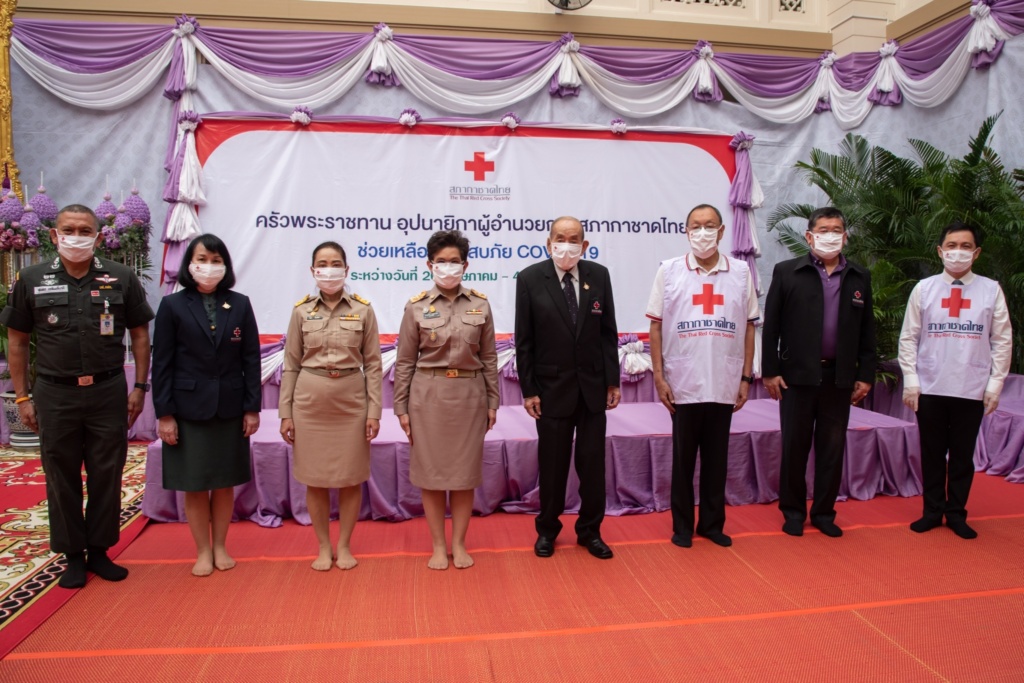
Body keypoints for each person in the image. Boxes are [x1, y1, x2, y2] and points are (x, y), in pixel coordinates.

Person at [0, 204, 154, 589]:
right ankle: (72, 555)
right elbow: (17, 342)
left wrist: (139, 388)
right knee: (60, 473)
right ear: (54, 235)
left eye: (85, 231)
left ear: (98, 238)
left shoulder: (121, 277)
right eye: (69, 229)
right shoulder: (31, 279)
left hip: (107, 391)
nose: (76, 237)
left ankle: (99, 550)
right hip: (55, 393)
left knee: (107, 472)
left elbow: (139, 335)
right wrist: (22, 397)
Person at [648, 204, 759, 549]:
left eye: (709, 225)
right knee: (683, 461)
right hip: (682, 383)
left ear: (722, 231)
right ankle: (682, 526)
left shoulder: (740, 272)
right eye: (695, 226)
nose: (702, 232)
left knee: (716, 460)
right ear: (686, 231)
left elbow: (749, 327)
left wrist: (745, 378)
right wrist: (659, 377)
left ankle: (712, 524)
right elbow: (656, 326)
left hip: (724, 382)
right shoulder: (669, 271)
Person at [152, 234, 261, 577]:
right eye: (202, 259)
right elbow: (162, 364)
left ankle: (220, 546)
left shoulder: (239, 304)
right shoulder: (172, 305)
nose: (209, 266)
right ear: (189, 264)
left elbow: (251, 359)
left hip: (230, 408)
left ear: (225, 265)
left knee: (225, 482)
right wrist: (165, 414)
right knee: (196, 483)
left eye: (216, 260)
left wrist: (252, 407)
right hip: (188, 410)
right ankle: (202, 550)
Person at [762, 207, 875, 538]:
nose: (830, 235)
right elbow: (771, 326)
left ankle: (824, 513)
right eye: (823, 230)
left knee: (831, 449)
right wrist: (770, 371)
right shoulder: (787, 272)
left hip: (838, 379)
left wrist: (865, 374)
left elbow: (867, 331)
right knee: (794, 448)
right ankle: (793, 512)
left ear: (845, 236)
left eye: (836, 229)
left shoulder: (859, 276)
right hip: (796, 378)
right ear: (809, 236)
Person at [515, 216, 621, 560]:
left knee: (593, 467)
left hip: (592, 390)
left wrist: (612, 380)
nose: (567, 245)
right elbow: (524, 341)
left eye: (574, 239)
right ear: (549, 243)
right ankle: (547, 530)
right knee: (553, 467)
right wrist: (529, 390)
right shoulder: (530, 278)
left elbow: (608, 333)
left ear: (584, 245)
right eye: (560, 238)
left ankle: (590, 532)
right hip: (551, 390)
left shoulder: (599, 275)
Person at [898, 221, 1011, 539]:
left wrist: (994, 384)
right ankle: (932, 511)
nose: (957, 252)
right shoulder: (925, 289)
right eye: (951, 246)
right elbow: (909, 337)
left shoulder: (990, 290)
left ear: (977, 253)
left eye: (965, 246)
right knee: (932, 453)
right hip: (930, 385)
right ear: (940, 251)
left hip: (971, 387)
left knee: (962, 457)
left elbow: (1002, 340)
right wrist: (911, 379)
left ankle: (957, 513)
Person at [393, 230, 498, 570]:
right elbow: (405, 361)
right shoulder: (416, 306)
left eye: (455, 261)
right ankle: (438, 545)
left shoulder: (480, 304)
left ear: (465, 265)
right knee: (433, 475)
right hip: (428, 397)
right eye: (441, 261)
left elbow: (489, 357)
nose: (448, 267)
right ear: (430, 265)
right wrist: (400, 407)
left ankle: (459, 544)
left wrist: (493, 402)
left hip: (469, 396)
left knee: (464, 475)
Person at [279, 241, 382, 570]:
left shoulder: (363, 310)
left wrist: (374, 411)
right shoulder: (301, 311)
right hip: (310, 404)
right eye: (322, 264)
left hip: (351, 402)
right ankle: (324, 546)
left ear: (346, 269)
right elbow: (291, 365)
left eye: (335, 263)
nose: (329, 270)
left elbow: (374, 365)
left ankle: (345, 545)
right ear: (313, 271)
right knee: (315, 478)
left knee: (351, 477)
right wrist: (285, 413)